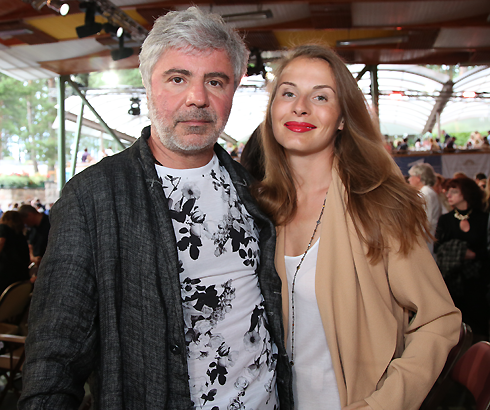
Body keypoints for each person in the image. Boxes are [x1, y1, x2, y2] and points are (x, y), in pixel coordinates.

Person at [19, 7, 292, 410]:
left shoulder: (254, 191)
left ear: (233, 89)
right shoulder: (93, 198)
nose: (197, 98)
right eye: (178, 78)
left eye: (215, 81)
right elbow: (54, 359)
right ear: (147, 84)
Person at [253, 44, 460, 410]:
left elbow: (439, 320)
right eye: (288, 93)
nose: (300, 107)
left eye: (320, 96)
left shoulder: (378, 206)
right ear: (272, 110)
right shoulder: (258, 209)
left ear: (343, 118)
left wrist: (384, 404)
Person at [434, 177, 489, 340]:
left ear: (466, 193)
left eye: (454, 191)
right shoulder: (445, 220)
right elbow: (438, 248)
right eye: (448, 191)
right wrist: (459, 252)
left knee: (479, 326)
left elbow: (486, 248)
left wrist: (474, 254)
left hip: (478, 280)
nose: (448, 195)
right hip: (452, 280)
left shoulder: (483, 218)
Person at [408, 163, 442, 254]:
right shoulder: (427, 192)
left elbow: (425, 221)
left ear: (418, 177)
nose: (409, 179)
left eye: (411, 176)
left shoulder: (425, 193)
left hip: (425, 240)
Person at [0, 211, 30, 294]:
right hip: (21, 275)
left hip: (5, 273)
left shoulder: (3, 228)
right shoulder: (20, 235)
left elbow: (1, 242)